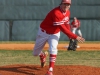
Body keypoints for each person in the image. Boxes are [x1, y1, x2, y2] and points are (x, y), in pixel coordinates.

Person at [33, 0, 85, 75]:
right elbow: (61, 27)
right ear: (61, 4)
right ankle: (42, 55)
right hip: (43, 32)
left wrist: (69, 37)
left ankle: (50, 70)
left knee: (53, 48)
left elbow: (66, 24)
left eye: (68, 4)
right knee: (35, 53)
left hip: (54, 33)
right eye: (65, 4)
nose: (66, 6)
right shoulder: (56, 12)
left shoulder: (67, 12)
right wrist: (74, 36)